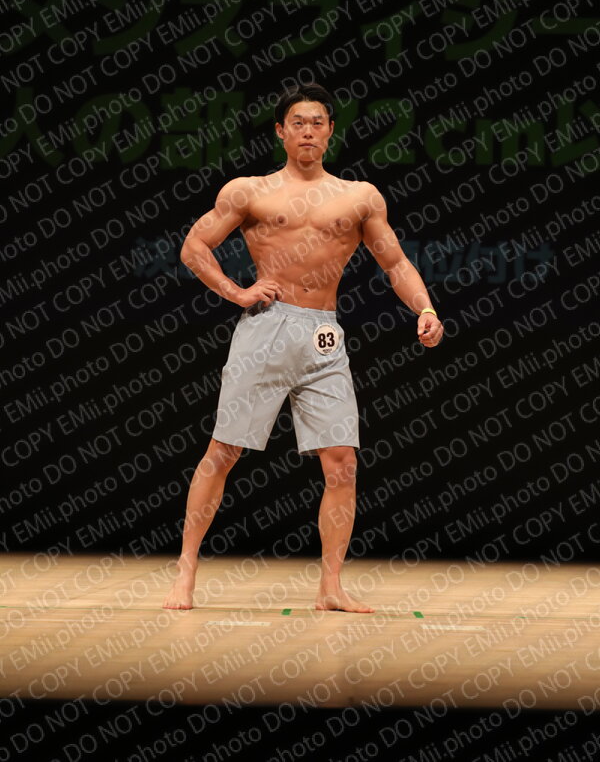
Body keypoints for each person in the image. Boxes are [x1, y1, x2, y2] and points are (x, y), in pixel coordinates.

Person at [163, 82, 443, 612]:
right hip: (265, 327)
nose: (308, 131)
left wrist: (425, 309)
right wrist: (237, 292)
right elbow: (194, 246)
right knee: (223, 451)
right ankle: (186, 570)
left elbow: (395, 263)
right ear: (280, 131)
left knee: (342, 461)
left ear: (331, 130)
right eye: (298, 123)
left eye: (317, 122)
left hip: (323, 335)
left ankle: (330, 586)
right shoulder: (249, 191)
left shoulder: (360, 196)